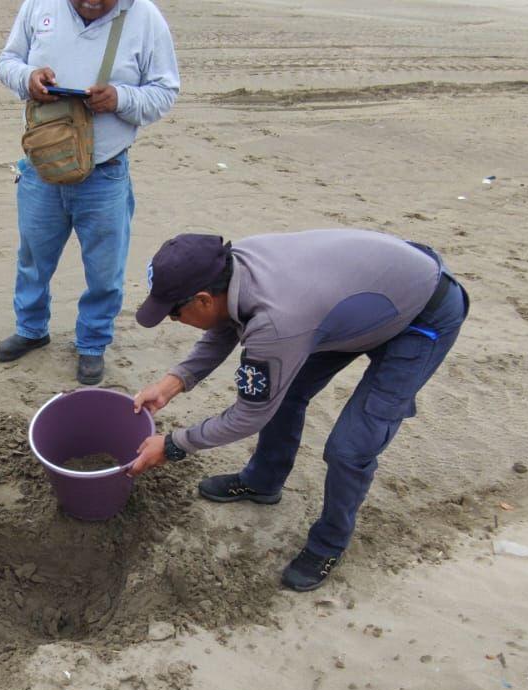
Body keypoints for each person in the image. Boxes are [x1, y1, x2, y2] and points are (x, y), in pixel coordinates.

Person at [124, 230, 470, 591]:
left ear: (203, 299)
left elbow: (249, 415)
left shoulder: (278, 321)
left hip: (421, 317)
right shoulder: (230, 267)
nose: (173, 321)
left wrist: (174, 444)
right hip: (352, 304)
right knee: (286, 393)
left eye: (174, 314)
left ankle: (329, 543)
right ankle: (263, 482)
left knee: (350, 449)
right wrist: (174, 381)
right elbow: (225, 323)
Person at [0, 0, 180, 385]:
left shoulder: (146, 18)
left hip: (106, 171)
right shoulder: (37, 6)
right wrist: (28, 78)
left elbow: (165, 91)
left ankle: (92, 344)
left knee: (105, 272)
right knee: (33, 258)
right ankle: (31, 329)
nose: (90, 2)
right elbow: (7, 62)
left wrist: (121, 99)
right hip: (42, 166)